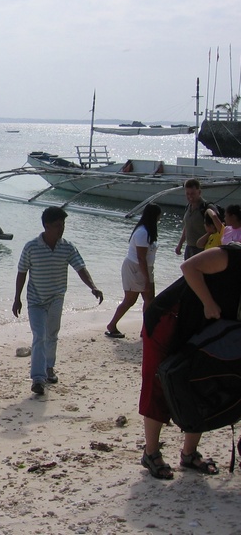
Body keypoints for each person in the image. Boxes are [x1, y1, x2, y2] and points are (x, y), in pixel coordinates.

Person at [139, 244, 241, 479]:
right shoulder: (231, 256)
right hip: (169, 320)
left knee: (200, 385)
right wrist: (207, 301)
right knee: (158, 384)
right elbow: (189, 266)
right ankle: (151, 453)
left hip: (201, 328)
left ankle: (189, 453)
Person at [12, 206, 103, 395]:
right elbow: (22, 272)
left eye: (63, 225)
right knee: (39, 336)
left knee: (52, 334)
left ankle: (49, 368)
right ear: (46, 226)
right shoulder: (31, 247)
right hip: (36, 300)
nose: (61, 229)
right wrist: (17, 298)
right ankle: (37, 379)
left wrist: (93, 287)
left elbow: (80, 268)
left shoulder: (67, 247)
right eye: (57, 225)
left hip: (56, 298)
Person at [105, 203, 162, 338]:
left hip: (145, 268)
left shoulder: (149, 230)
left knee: (149, 300)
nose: (160, 218)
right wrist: (147, 279)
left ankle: (146, 330)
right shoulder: (143, 232)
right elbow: (140, 258)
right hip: (135, 268)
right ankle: (112, 325)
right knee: (130, 300)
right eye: (159, 216)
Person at [174, 179, 214, 259]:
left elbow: (215, 230)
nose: (190, 197)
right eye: (187, 194)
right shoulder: (188, 206)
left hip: (203, 249)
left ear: (199, 192)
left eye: (192, 194)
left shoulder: (207, 208)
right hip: (189, 248)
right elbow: (187, 226)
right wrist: (180, 244)